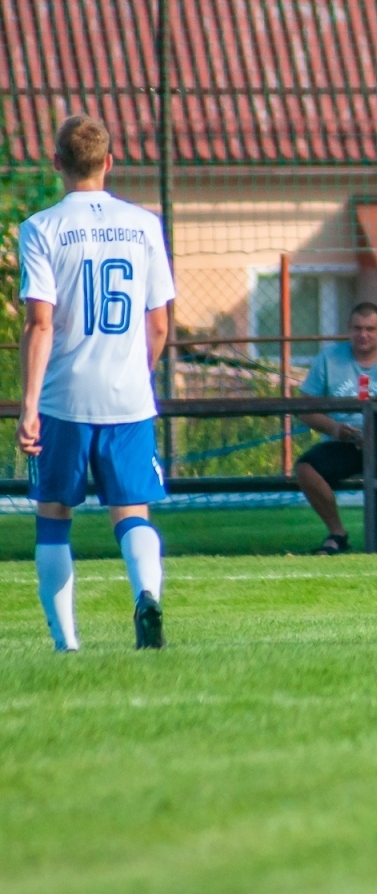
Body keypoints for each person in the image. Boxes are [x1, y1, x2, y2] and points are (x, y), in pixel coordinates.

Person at [16, 115, 175, 651]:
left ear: (57, 163)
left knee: (54, 515)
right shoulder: (145, 225)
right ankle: (147, 594)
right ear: (110, 162)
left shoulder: (42, 228)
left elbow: (40, 322)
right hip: (128, 397)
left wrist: (29, 406)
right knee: (131, 512)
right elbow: (159, 324)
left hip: (65, 395)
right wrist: (136, 373)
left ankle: (67, 644)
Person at [295, 302, 377, 554]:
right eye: (357, 328)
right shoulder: (328, 359)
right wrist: (334, 428)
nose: (363, 335)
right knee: (305, 468)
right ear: (349, 329)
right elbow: (305, 408)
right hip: (341, 442)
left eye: (370, 328)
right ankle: (337, 533)